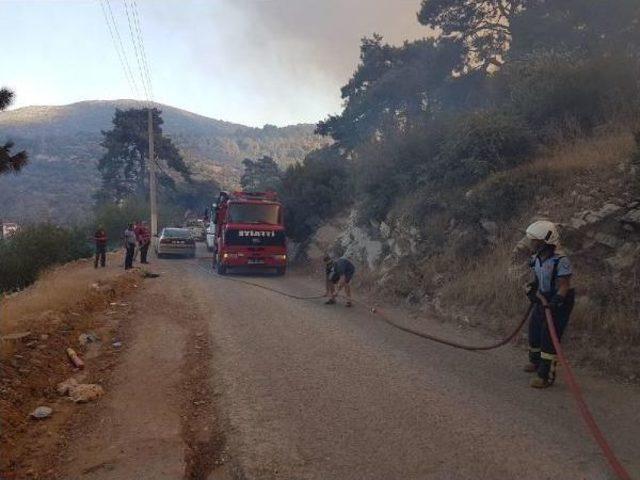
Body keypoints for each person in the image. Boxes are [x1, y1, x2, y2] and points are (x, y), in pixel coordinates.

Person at [523, 220, 575, 389]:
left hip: (559, 301)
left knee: (549, 337)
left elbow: (564, 285)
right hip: (543, 298)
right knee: (534, 329)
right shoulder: (536, 258)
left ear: (545, 242)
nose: (531, 243)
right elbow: (538, 279)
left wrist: (556, 302)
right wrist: (532, 289)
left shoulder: (560, 261)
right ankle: (536, 362)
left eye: (534, 240)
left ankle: (546, 376)